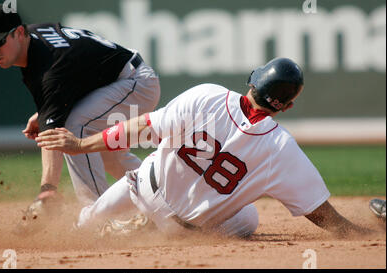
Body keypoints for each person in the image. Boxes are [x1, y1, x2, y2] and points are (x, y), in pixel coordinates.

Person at [36, 57, 372, 238]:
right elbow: (323, 214)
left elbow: (140, 126)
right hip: (183, 229)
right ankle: (149, 228)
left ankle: (96, 224)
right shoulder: (281, 148)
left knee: (85, 226)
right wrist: (362, 233)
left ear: (253, 81)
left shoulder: (207, 95)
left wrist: (82, 144)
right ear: (285, 106)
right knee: (249, 215)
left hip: (140, 187)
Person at [0, 4, 160, 226]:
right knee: (107, 153)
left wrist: (47, 189)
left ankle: (99, 219)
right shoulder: (36, 45)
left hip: (136, 83)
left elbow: (54, 132)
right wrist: (45, 111)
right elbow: (75, 73)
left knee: (73, 129)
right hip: (117, 81)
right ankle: (164, 194)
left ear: (20, 33)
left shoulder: (48, 67)